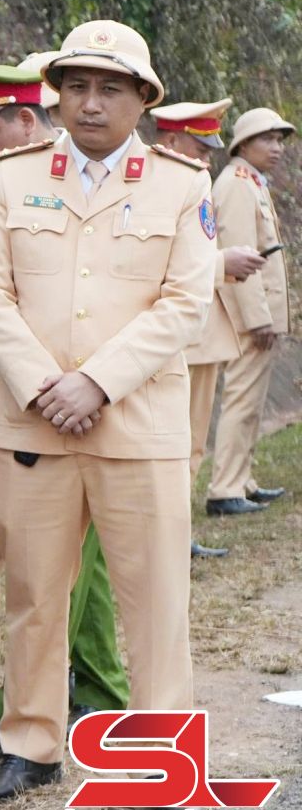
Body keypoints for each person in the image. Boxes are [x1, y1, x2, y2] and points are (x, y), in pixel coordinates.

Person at [0, 19, 216, 803]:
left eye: (110, 87)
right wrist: (46, 383)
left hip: (138, 427)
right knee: (35, 595)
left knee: (155, 597)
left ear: (144, 99)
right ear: (56, 96)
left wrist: (97, 383)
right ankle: (32, 742)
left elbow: (186, 302)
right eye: (77, 86)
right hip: (34, 423)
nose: (92, 102)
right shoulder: (13, 177)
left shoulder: (182, 184)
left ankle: (163, 750)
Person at [0, 63, 128, 761]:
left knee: (83, 558)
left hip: (94, 398)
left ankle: (89, 686)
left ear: (29, 119)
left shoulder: (98, 184)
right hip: (6, 400)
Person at [149, 99, 267, 550]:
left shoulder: (184, 184)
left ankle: (177, 535)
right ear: (172, 140)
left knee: (192, 443)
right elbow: (157, 263)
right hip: (181, 337)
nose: (206, 161)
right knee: (180, 444)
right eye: (200, 150)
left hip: (199, 334)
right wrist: (222, 263)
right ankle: (170, 539)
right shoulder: (157, 187)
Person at [206, 107, 293, 515]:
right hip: (249, 317)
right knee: (242, 401)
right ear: (243, 145)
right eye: (267, 139)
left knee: (252, 403)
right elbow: (240, 255)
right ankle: (225, 488)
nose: (277, 148)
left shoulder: (251, 181)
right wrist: (258, 318)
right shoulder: (237, 184)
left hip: (259, 313)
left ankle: (241, 480)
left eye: (279, 140)